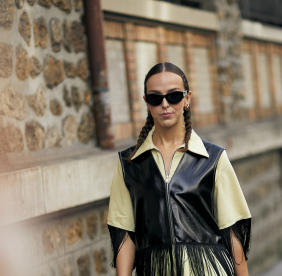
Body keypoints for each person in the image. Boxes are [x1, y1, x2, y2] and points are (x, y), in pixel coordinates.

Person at [107, 62, 251, 276]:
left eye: (173, 96)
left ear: (187, 98)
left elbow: (232, 230)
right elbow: (125, 235)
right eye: (156, 98)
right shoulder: (129, 164)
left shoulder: (213, 159)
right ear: (147, 103)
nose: (165, 104)